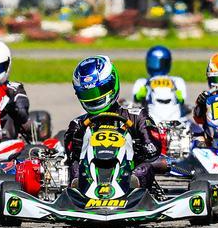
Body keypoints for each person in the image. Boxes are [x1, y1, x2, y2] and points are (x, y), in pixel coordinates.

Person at [63, 55, 168, 191]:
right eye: (89, 94)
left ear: (112, 84)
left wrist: (138, 147)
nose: (95, 98)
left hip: (128, 172)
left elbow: (153, 149)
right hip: (90, 175)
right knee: (75, 167)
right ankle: (78, 191)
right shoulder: (78, 124)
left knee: (146, 167)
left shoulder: (136, 116)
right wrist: (79, 140)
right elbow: (72, 156)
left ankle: (133, 187)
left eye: (99, 91)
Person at [132, 45, 188, 119]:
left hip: (175, 119)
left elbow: (182, 100)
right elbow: (136, 99)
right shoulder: (142, 82)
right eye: (153, 63)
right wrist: (140, 95)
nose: (156, 66)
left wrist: (179, 98)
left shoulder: (177, 81)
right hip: (150, 118)